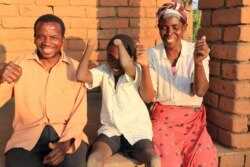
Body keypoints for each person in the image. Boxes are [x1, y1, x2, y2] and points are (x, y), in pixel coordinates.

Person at [0, 14, 88, 167]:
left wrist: (65, 144)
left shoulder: (76, 69)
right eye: (41, 36)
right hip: (26, 137)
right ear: (34, 38)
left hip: (66, 135)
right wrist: (0, 78)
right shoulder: (19, 66)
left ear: (62, 41)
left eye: (54, 37)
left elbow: (79, 114)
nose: (47, 42)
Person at [136, 2, 218, 166]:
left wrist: (199, 63)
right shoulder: (152, 55)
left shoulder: (196, 52)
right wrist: (144, 66)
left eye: (175, 27)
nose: (169, 32)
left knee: (205, 157)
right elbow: (148, 97)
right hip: (162, 123)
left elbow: (200, 91)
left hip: (193, 123)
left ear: (185, 27)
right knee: (168, 160)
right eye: (164, 27)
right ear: (159, 28)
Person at [76, 34, 161, 167]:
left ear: (131, 58)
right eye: (110, 57)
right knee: (94, 159)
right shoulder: (104, 71)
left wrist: (120, 45)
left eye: (119, 58)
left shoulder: (136, 71)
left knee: (154, 160)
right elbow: (81, 75)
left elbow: (127, 65)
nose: (114, 63)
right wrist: (89, 48)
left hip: (137, 133)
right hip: (111, 131)